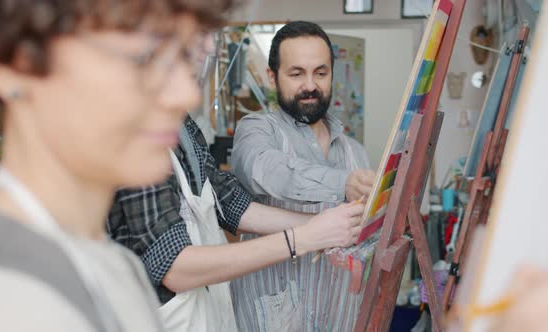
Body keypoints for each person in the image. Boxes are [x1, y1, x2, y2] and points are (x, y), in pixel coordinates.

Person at [0, 0, 238, 331]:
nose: (185, 94)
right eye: (144, 56)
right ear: (14, 65)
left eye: (182, 56)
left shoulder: (116, 265)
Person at [107, 36, 367, 331]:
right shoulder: (132, 132)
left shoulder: (183, 125)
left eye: (320, 72)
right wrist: (303, 238)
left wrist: (319, 225)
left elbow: (230, 205)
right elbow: (174, 267)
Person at [230, 21, 376, 331]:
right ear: (273, 77)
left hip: (340, 317)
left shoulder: (355, 153)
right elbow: (268, 171)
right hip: (272, 317)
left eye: (320, 73)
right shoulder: (256, 130)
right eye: (296, 74)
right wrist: (342, 183)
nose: (310, 85)